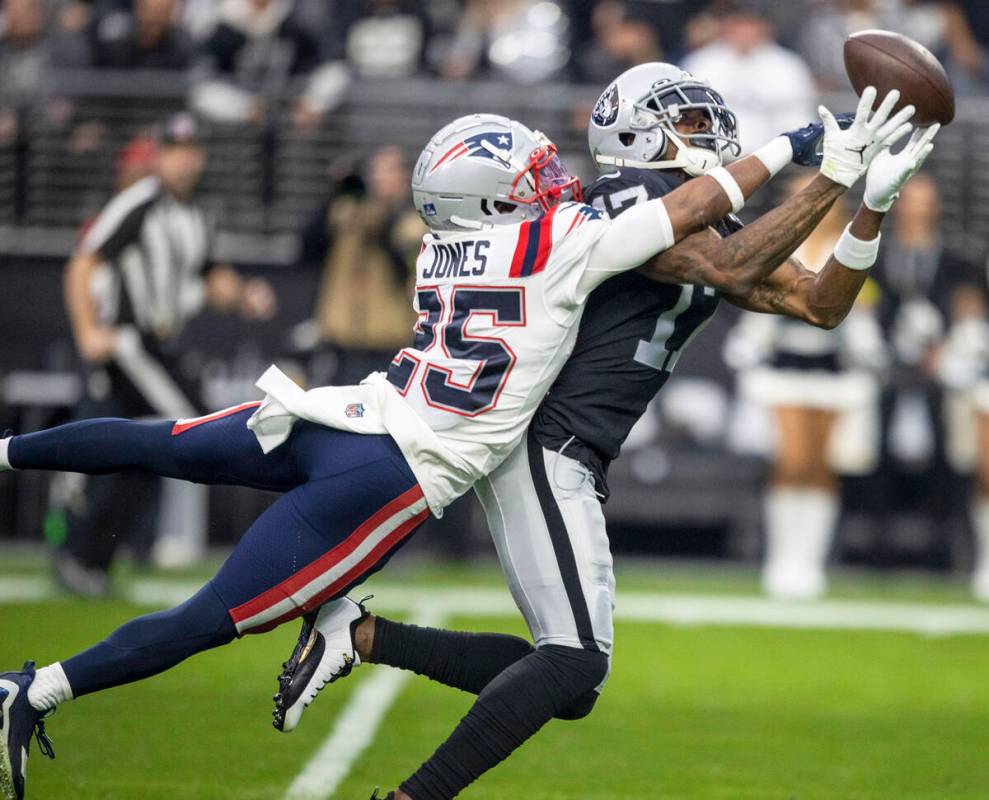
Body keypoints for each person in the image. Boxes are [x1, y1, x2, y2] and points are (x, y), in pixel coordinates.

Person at [0, 85, 916, 799]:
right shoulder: (578, 230)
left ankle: (12, 457)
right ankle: (36, 690)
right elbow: (715, 251)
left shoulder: (477, 240)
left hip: (352, 413)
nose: (547, 181)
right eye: (528, 177)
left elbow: (803, 294)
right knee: (221, 615)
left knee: (163, 444)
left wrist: (861, 199)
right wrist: (811, 156)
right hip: (407, 463)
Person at [268, 69, 933, 799]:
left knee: (571, 680)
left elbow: (819, 304)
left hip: (569, 449)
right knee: (574, 659)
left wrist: (870, 204)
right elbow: (725, 264)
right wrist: (828, 177)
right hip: (542, 440)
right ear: (637, 133)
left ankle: (360, 636)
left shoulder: (695, 220)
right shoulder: (620, 205)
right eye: (689, 122)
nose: (710, 135)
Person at [53, 112, 276, 596]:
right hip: (129, 344)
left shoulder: (196, 214)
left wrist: (242, 296)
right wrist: (88, 331)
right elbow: (82, 262)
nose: (182, 161)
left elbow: (209, 273)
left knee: (138, 453)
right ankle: (82, 553)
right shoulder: (138, 204)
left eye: (190, 151)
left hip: (160, 344)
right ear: (159, 156)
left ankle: (89, 559)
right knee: (188, 430)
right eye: (173, 151)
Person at [724, 174, 887, 598]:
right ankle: (781, 560)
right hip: (784, 369)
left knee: (820, 468)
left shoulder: (852, 247)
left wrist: (867, 348)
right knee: (791, 463)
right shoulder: (782, 245)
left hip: (833, 370)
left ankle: (809, 563)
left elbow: (860, 308)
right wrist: (750, 343)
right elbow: (762, 303)